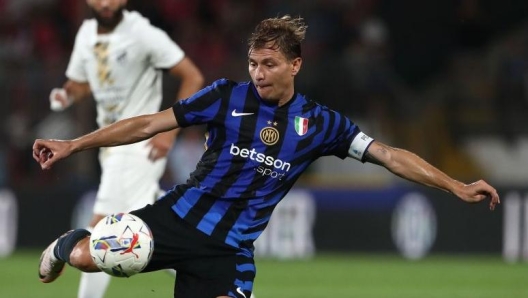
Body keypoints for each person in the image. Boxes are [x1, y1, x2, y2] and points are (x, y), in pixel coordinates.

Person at [34, 15, 500, 298]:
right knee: (84, 258)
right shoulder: (224, 97)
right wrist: (74, 144)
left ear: (295, 65)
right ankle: (69, 242)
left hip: (230, 249)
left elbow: (390, 156)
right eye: (253, 63)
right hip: (176, 219)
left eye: (269, 64)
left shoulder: (320, 124)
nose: (258, 73)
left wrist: (455, 185)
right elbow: (147, 124)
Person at [47, 1, 204, 297]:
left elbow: (192, 76)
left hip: (137, 146)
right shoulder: (86, 35)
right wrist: (66, 94)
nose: (106, 3)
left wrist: (170, 130)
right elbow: (82, 84)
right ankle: (216, 270)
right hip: (110, 147)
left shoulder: (143, 33)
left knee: (98, 233)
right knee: (170, 235)